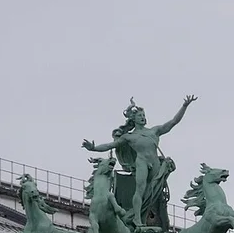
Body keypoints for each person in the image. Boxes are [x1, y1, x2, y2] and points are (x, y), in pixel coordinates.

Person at [82, 95, 196, 226]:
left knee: (154, 192)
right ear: (133, 119)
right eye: (139, 116)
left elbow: (173, 122)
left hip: (155, 163)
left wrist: (184, 106)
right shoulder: (129, 137)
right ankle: (137, 218)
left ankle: (148, 216)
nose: (142, 117)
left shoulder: (154, 131)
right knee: (140, 190)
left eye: (143, 115)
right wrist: (94, 148)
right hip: (142, 162)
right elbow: (110, 145)